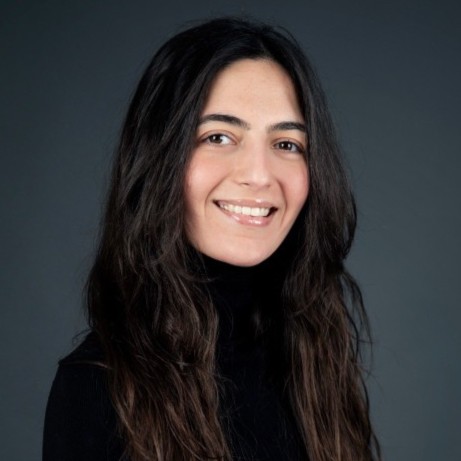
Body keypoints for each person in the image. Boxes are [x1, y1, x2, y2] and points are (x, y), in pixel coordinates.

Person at [43, 17, 381, 461]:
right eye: (218, 137)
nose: (259, 175)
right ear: (160, 157)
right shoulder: (97, 386)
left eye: (286, 144)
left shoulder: (315, 357)